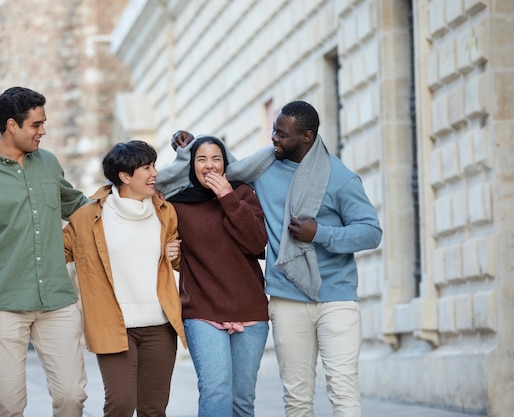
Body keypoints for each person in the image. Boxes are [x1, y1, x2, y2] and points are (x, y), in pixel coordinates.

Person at [159, 100, 382, 417]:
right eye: (273, 131)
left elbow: (371, 233)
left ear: (306, 137)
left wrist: (320, 233)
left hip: (335, 297)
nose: (273, 139)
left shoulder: (340, 178)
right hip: (286, 297)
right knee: (296, 396)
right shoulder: (262, 172)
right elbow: (220, 170)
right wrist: (190, 149)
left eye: (281, 134)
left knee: (343, 390)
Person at [0, 86, 89, 417]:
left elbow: (77, 205)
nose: (43, 131)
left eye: (43, 123)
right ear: (12, 126)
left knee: (71, 396)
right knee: (9, 405)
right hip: (4, 301)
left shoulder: (48, 163)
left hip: (56, 299)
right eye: (36, 125)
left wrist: (123, 201)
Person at [62, 140, 187, 417]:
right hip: (113, 328)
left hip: (160, 327)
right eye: (147, 167)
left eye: (154, 165)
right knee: (120, 404)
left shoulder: (165, 212)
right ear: (125, 176)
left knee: (153, 409)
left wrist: (172, 253)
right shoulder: (87, 217)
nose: (155, 172)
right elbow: (55, 255)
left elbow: (177, 263)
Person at [165, 135, 269, 417]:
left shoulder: (244, 194)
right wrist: (170, 252)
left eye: (216, 158)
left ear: (225, 163)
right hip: (202, 310)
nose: (209, 165)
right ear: (192, 165)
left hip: (250, 311)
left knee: (242, 401)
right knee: (216, 391)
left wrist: (227, 197)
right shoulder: (178, 205)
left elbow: (257, 243)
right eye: (201, 159)